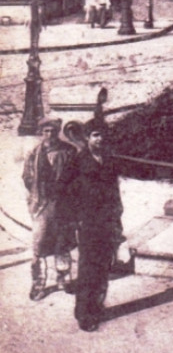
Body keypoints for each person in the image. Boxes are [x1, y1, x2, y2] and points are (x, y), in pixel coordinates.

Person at [62, 119, 123, 332]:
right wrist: (74, 218)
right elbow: (64, 190)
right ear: (87, 137)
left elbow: (115, 191)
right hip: (88, 221)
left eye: (103, 135)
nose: (100, 138)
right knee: (88, 267)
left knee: (103, 266)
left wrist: (118, 217)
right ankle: (84, 313)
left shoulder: (109, 160)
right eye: (96, 135)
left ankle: (96, 306)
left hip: (107, 220)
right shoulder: (78, 160)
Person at [22, 116, 78, 300]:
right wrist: (37, 195)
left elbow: (77, 177)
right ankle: (39, 283)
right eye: (46, 131)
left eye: (53, 131)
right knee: (39, 244)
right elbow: (27, 177)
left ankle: (64, 279)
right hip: (42, 205)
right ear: (42, 132)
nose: (50, 134)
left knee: (63, 242)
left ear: (58, 132)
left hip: (64, 204)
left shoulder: (68, 151)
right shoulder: (34, 152)